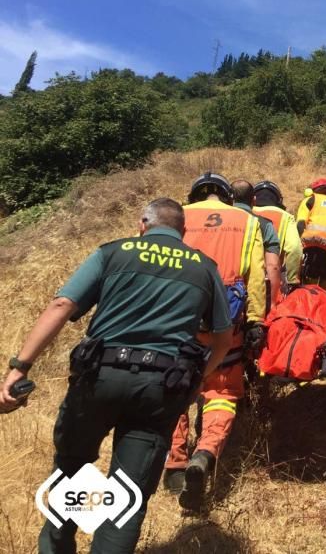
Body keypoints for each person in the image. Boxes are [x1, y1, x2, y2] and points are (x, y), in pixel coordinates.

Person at [0, 198, 232, 553]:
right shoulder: (204, 268)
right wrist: (198, 378)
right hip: (161, 390)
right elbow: (222, 337)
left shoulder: (114, 253)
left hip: (99, 379)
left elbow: (62, 305)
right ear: (182, 232)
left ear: (143, 224)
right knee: (127, 493)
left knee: (73, 469)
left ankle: (58, 546)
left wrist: (21, 366)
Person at [164, 173, 265, 510]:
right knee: (221, 393)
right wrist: (256, 321)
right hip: (225, 320)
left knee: (174, 386)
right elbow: (256, 275)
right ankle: (205, 453)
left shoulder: (175, 216)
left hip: (176, 319)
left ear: (193, 194)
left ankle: (175, 461)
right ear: (226, 196)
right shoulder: (246, 220)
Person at [231, 179, 282, 309]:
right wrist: (273, 302)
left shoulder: (220, 221)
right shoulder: (265, 224)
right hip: (252, 295)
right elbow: (273, 265)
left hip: (222, 289)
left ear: (231, 199)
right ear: (254, 200)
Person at [253, 180, 302, 294]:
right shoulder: (286, 217)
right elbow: (295, 249)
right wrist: (292, 281)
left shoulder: (244, 212)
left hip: (243, 280)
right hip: (270, 279)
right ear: (278, 199)